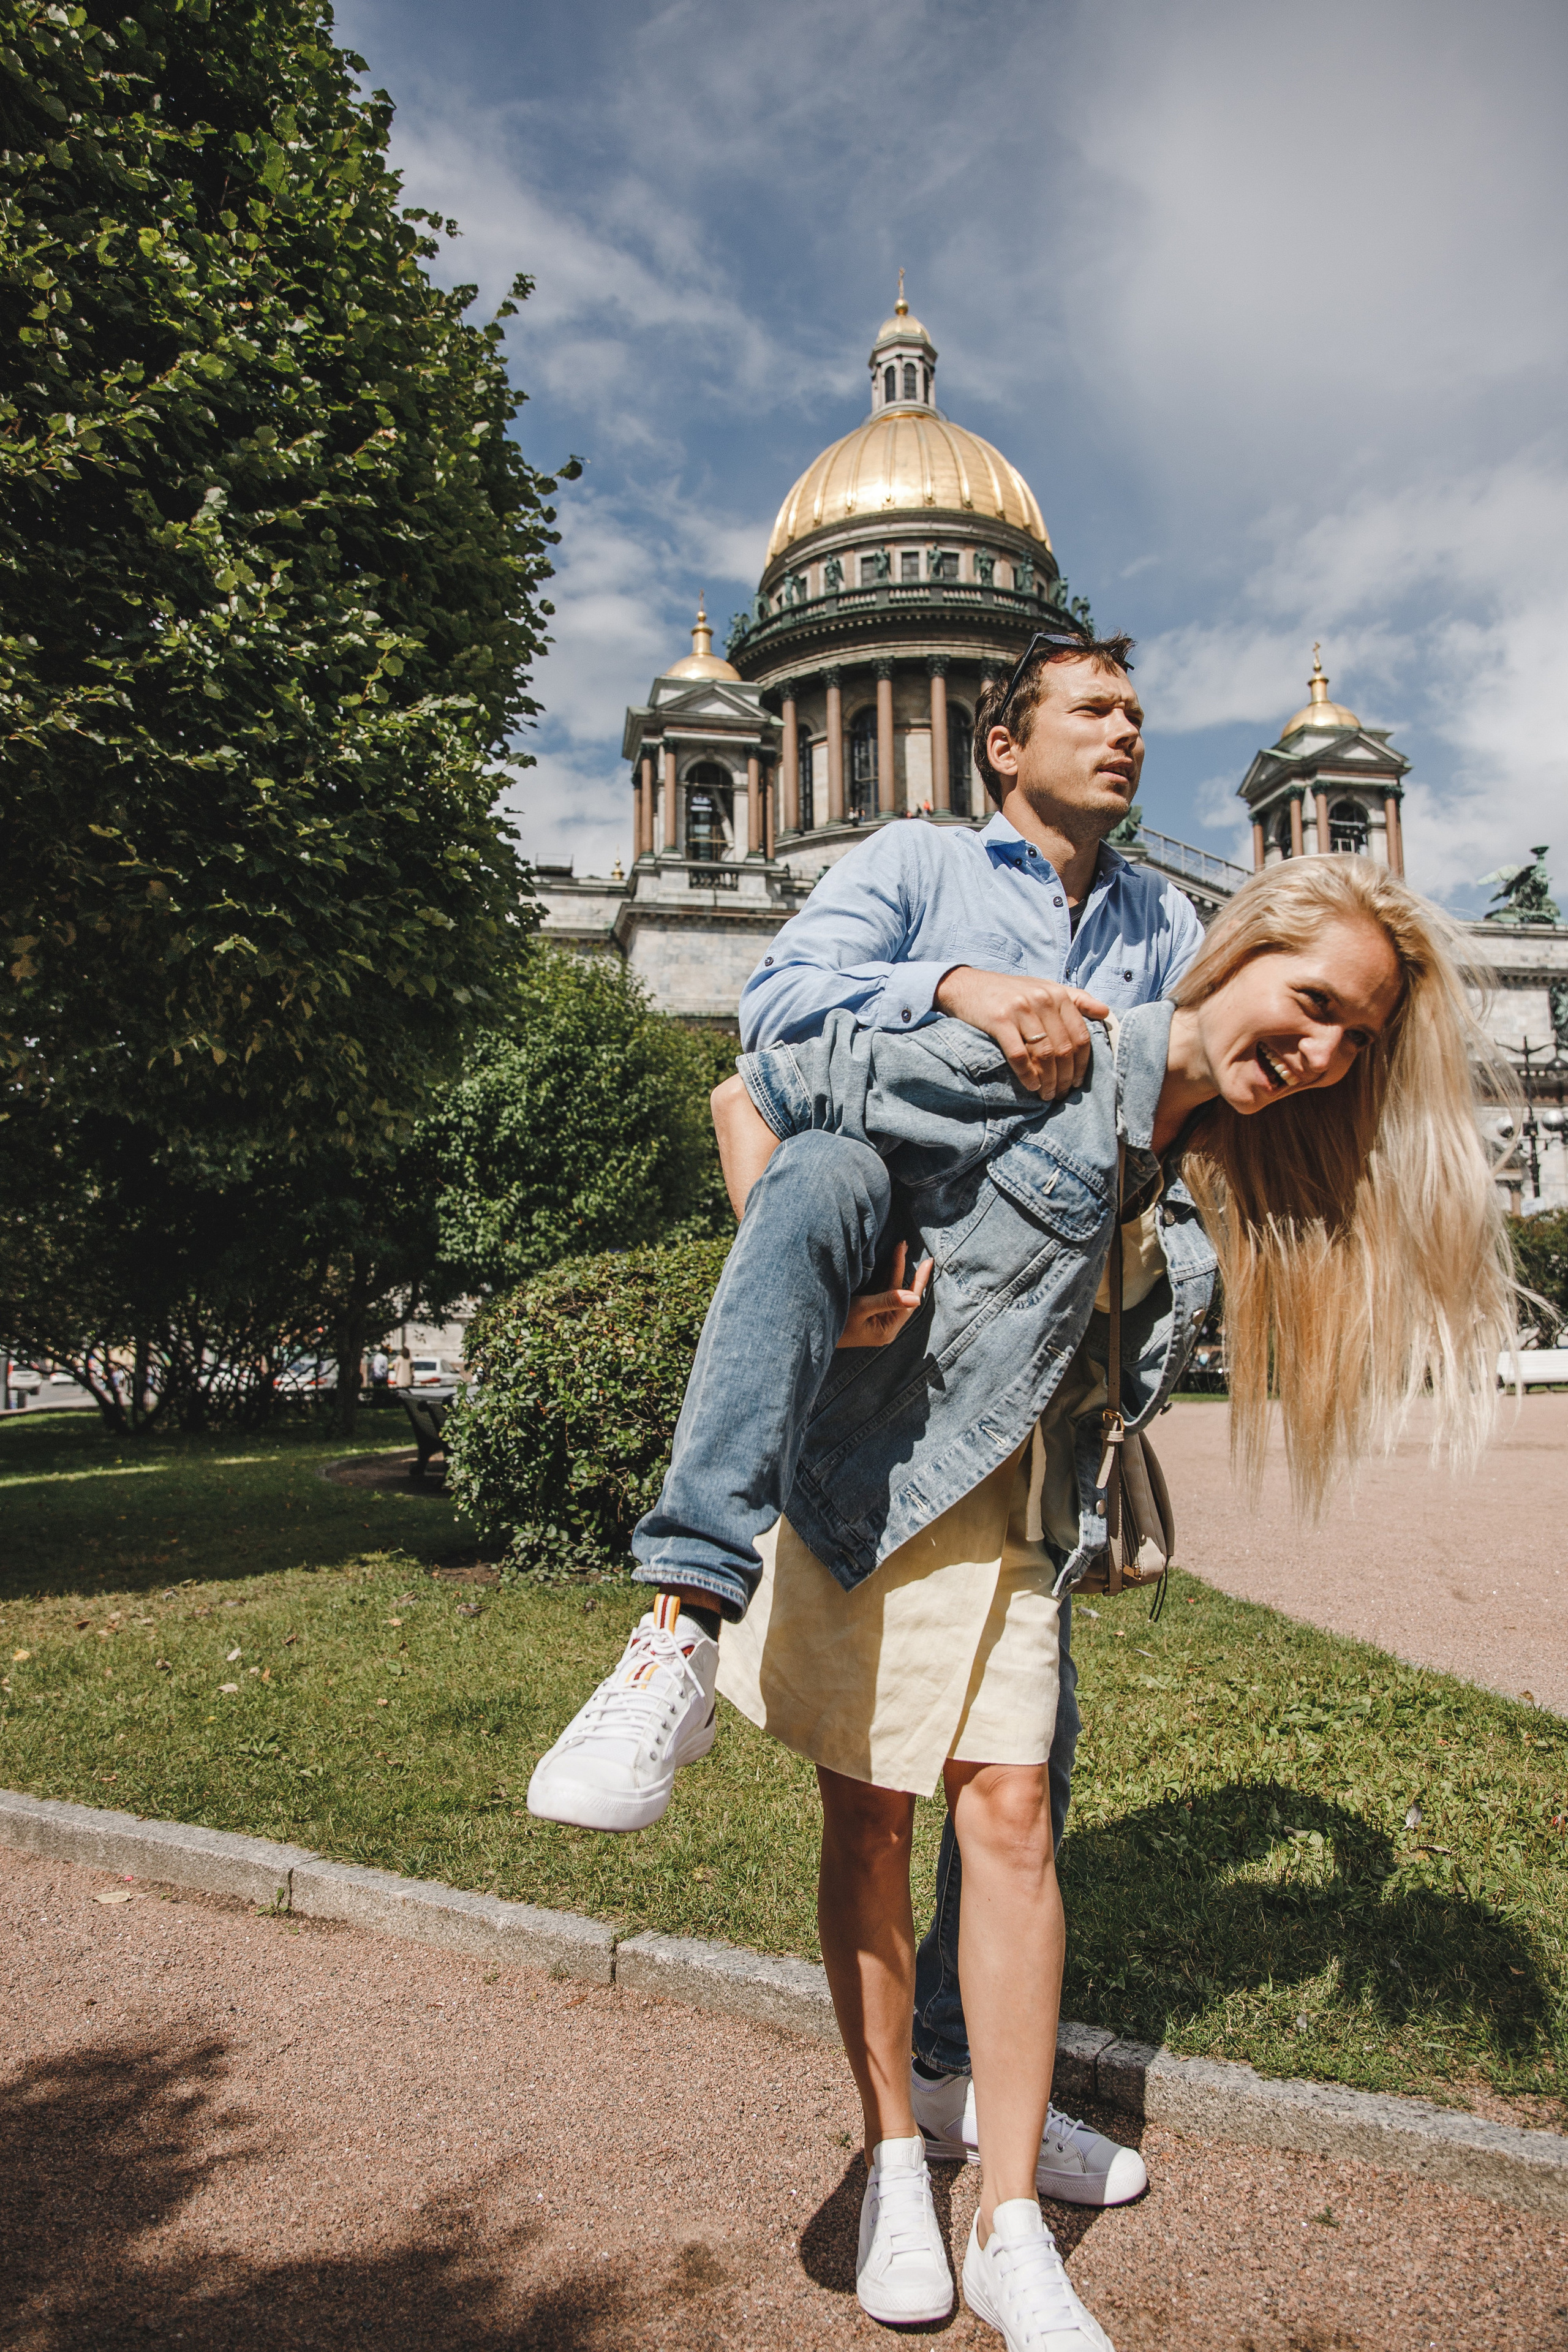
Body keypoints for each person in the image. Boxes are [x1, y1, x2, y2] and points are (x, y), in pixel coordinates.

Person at [532, 856, 1512, 2350]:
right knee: (869, 1823)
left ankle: (1000, 2225)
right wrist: (800, 1242)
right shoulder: (1045, 1046)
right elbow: (769, 1084)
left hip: (1019, 1509)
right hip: (876, 1477)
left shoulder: (1214, 1151)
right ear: (1233, 955)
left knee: (1010, 1825)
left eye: (1354, 1042)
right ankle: (890, 2165)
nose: (1319, 1053)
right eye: (1311, 1005)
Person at [531, 624, 1199, 2212]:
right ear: (997, 740)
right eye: (1093, 711)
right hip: (881, 1350)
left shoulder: (1168, 918)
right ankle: (677, 1630)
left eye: (1138, 714)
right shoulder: (906, 859)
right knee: (881, 1785)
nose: (1128, 736)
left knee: (1025, 1761)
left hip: (1026, 1373)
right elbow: (774, 1026)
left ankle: (962, 2077)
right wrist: (969, 991)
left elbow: (1184, 1099)